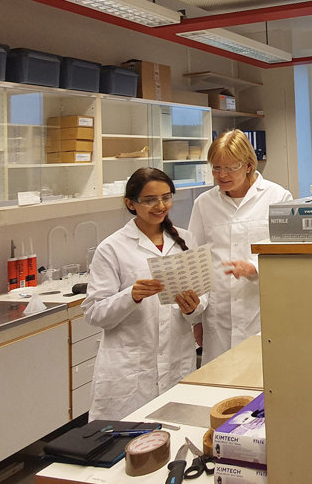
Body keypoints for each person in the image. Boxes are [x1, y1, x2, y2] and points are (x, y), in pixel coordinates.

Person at [83, 168, 205, 421]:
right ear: (131, 203)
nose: (160, 206)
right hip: (130, 372)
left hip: (176, 362)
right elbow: (94, 313)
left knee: (175, 440)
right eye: (150, 200)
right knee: (126, 447)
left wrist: (193, 307)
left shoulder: (186, 239)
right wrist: (132, 296)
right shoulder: (112, 248)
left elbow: (204, 299)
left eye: (166, 197)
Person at [189, 129, 292, 364]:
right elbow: (196, 261)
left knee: (263, 385)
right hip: (218, 319)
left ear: (247, 165)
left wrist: (254, 268)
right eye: (216, 168)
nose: (222, 175)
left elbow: (287, 256)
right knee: (221, 388)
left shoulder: (277, 197)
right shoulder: (204, 204)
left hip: (261, 312)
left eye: (230, 167)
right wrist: (196, 321)